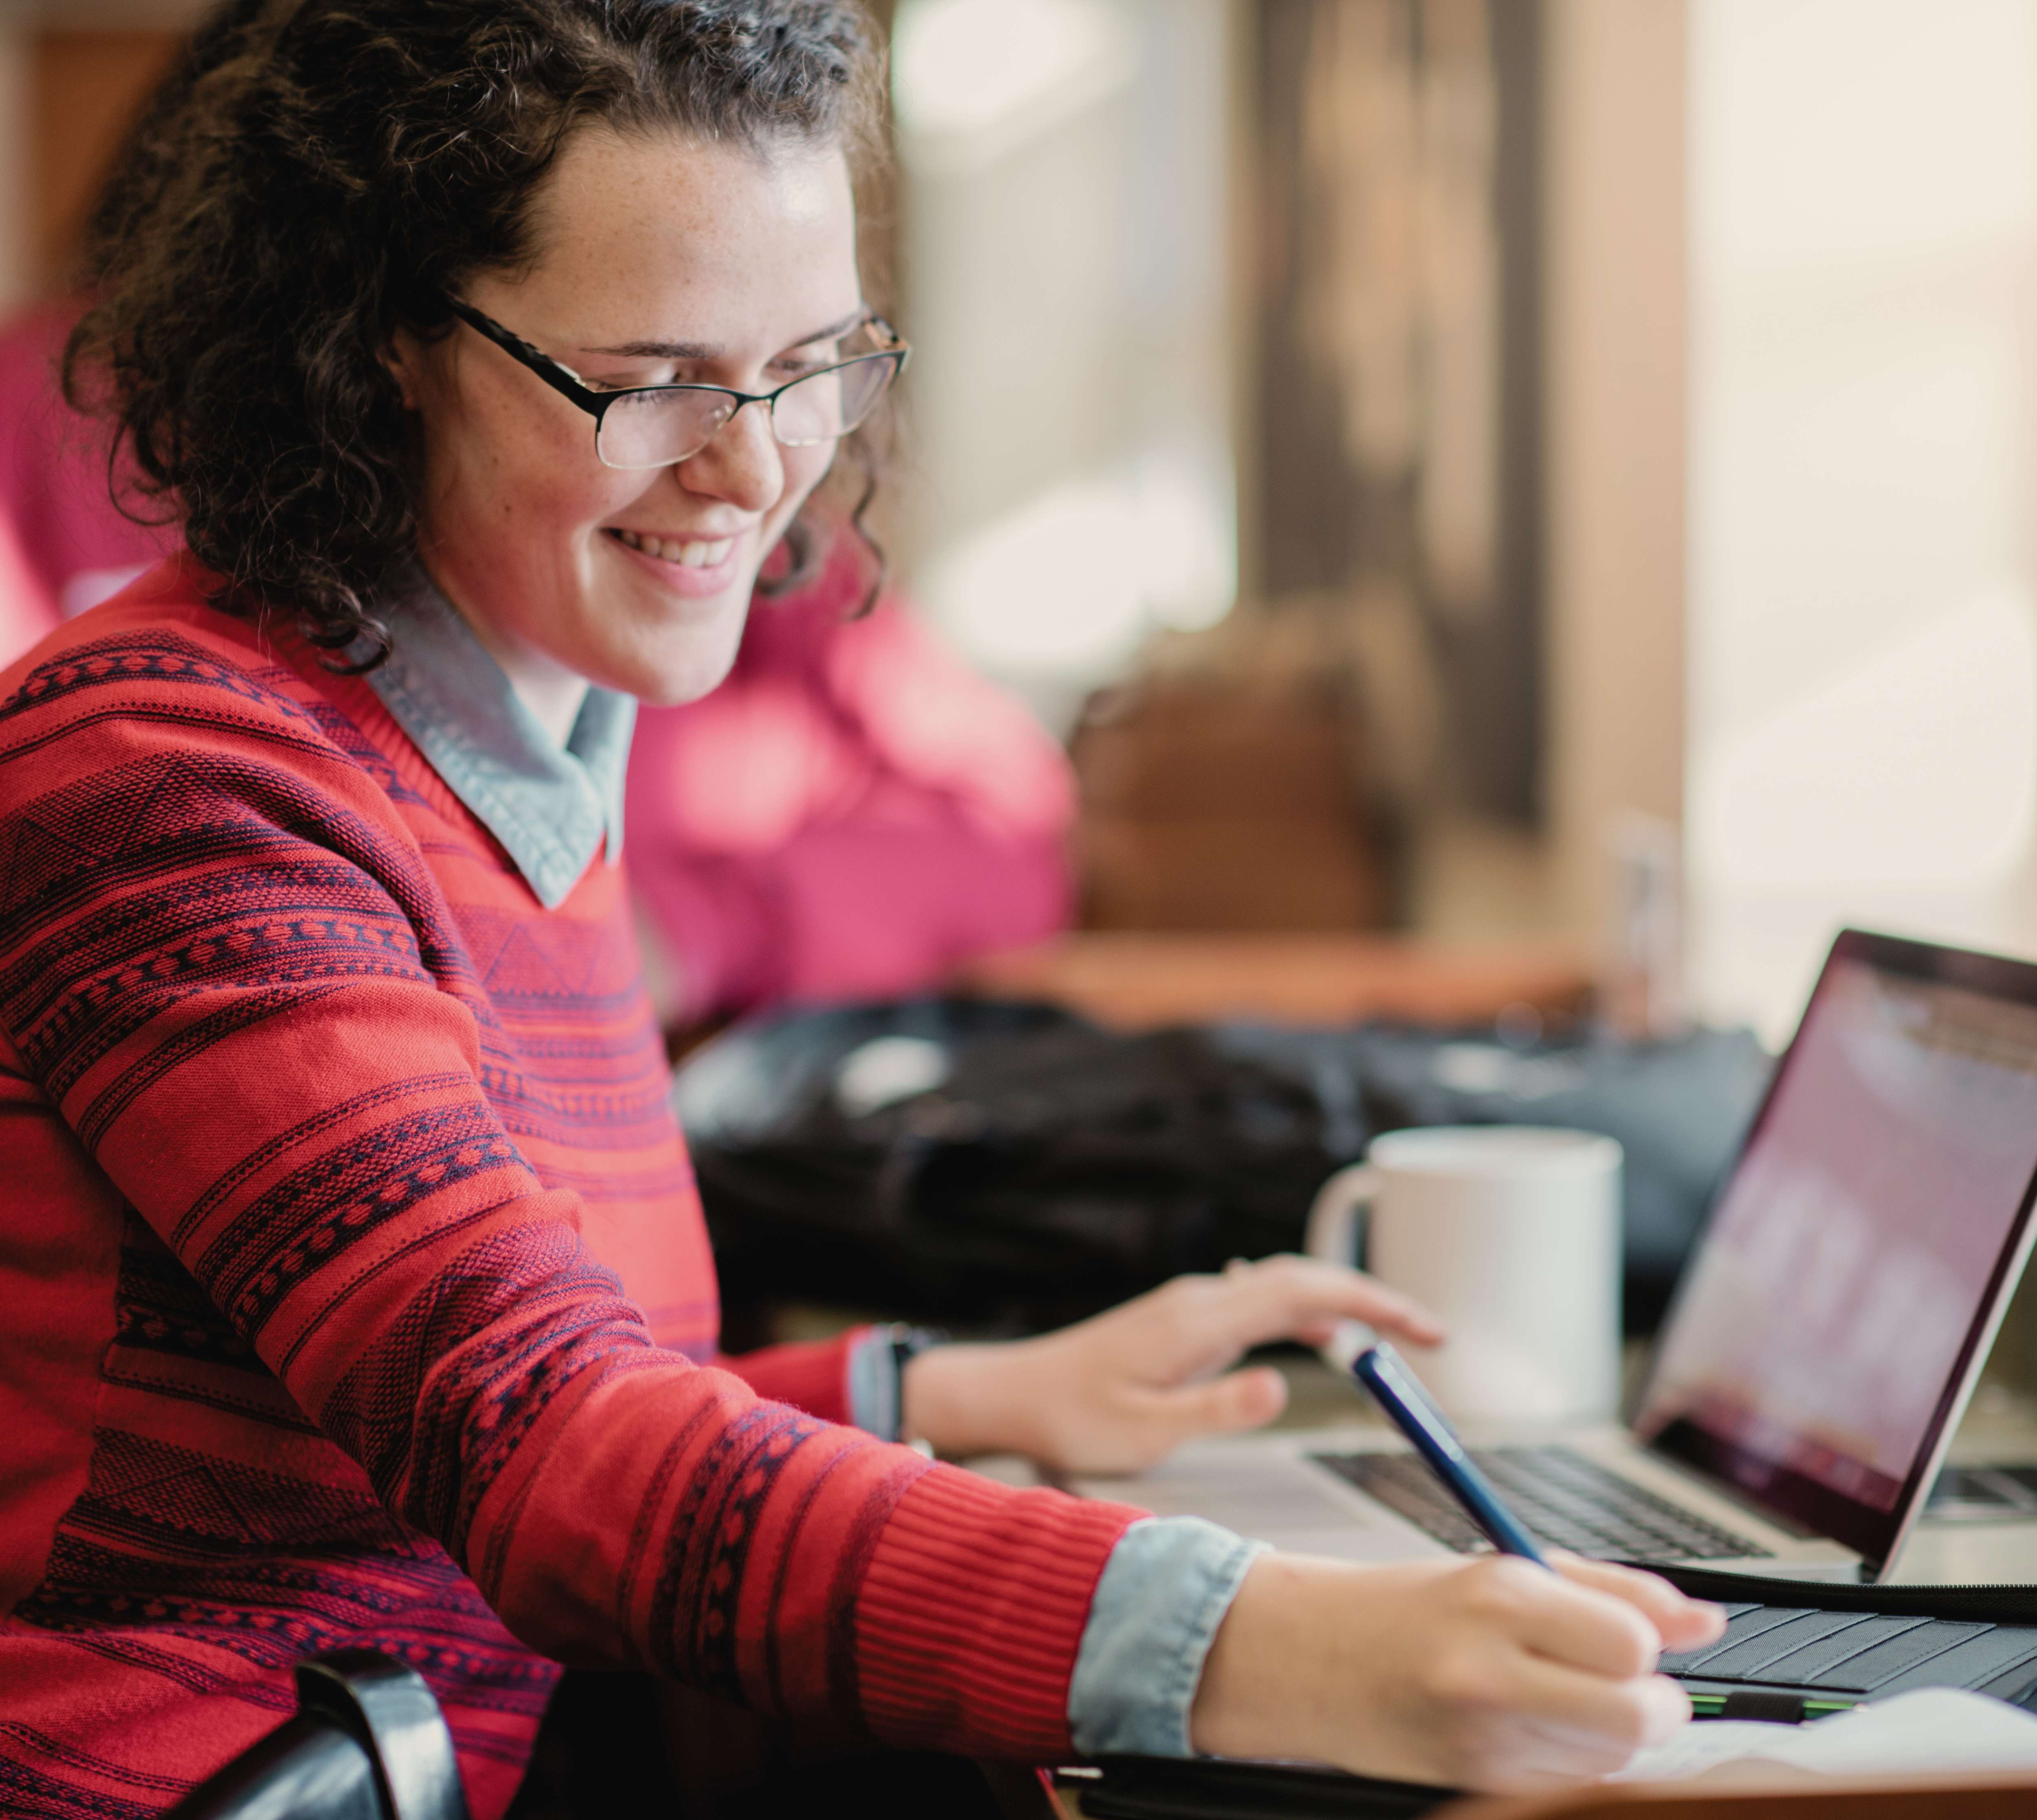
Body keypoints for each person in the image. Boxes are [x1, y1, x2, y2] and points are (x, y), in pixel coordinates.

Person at [0, 4, 1722, 1816]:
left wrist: (952, 1391)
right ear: (378, 352)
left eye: (811, 362)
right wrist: (1272, 1644)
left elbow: (515, 1401)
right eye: (652, 376)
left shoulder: (528, 735)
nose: (756, 466)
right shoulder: (179, 783)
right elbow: (530, 1446)